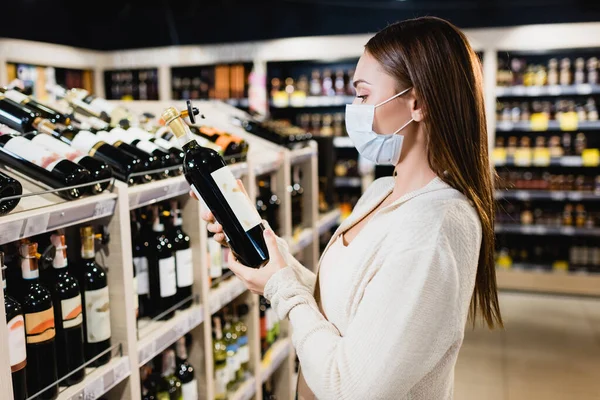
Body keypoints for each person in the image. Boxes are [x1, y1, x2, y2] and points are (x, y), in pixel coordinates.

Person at [192, 16, 502, 400]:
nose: (353, 109)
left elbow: (350, 388)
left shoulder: (433, 228)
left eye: (363, 95)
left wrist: (281, 288)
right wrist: (269, 248)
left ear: (417, 103)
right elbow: (342, 310)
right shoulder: (382, 191)